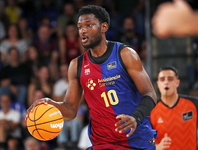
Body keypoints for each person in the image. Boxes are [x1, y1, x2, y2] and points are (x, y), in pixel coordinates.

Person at [27, 5, 157, 150]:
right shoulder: (76, 65)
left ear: (104, 27)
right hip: (103, 142)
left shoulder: (125, 54)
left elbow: (150, 94)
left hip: (136, 140)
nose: (83, 30)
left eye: (89, 25)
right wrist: (51, 104)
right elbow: (70, 110)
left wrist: (135, 117)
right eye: (80, 26)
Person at [150, 66, 198, 150]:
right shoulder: (151, 110)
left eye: (170, 79)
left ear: (177, 83)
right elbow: (145, 141)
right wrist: (157, 147)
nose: (166, 82)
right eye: (162, 79)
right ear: (158, 84)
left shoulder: (193, 104)